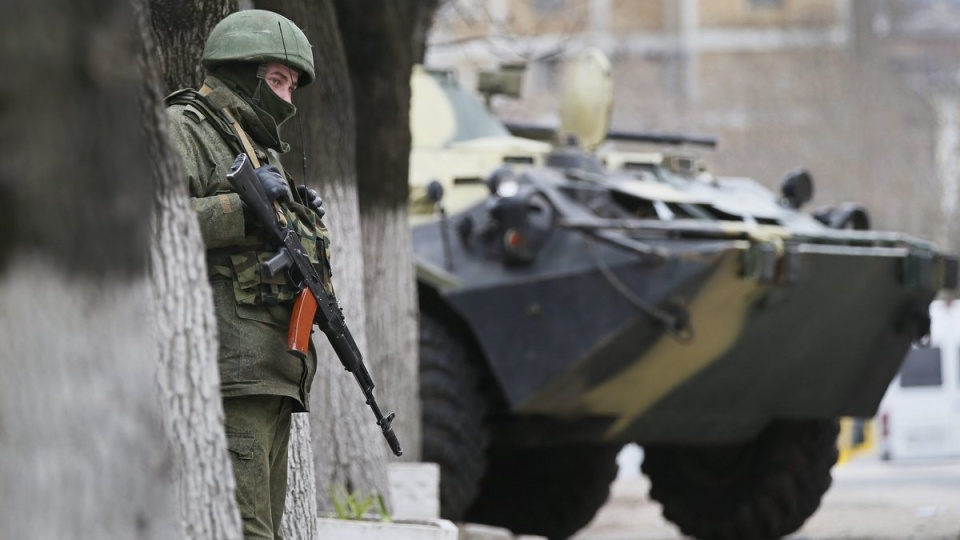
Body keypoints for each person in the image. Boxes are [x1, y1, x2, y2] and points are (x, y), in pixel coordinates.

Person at [164, 9, 333, 539]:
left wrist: (297, 214)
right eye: (278, 80)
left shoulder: (251, 144)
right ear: (242, 73)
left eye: (292, 84)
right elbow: (156, 225)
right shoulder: (185, 128)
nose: (288, 98)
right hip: (230, 375)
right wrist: (243, 208)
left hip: (272, 376)